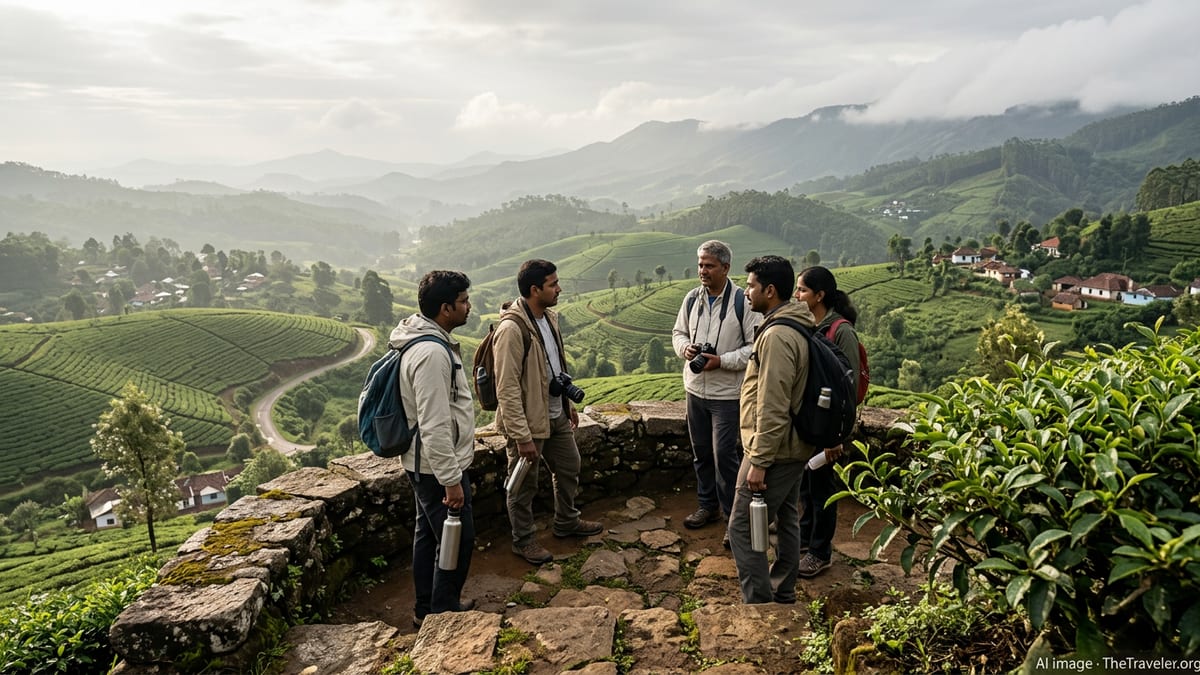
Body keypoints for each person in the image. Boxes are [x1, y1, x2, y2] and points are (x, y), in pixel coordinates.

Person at [495, 259, 602, 565]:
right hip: (528, 423)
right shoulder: (512, 329)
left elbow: (556, 367)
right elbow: (507, 388)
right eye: (553, 284)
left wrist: (567, 405)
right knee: (523, 485)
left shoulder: (548, 318)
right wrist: (521, 435)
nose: (559, 288)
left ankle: (567, 521)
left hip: (555, 413)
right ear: (534, 289)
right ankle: (523, 540)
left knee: (570, 466)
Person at [388, 270, 477, 626]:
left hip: (424, 464)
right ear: (445, 308)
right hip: (435, 468)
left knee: (427, 536)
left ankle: (426, 609)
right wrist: (451, 480)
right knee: (459, 539)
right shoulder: (431, 354)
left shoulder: (423, 340)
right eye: (464, 301)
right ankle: (443, 612)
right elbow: (434, 423)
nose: (469, 307)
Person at [728, 255, 817, 604]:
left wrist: (759, 460)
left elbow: (773, 403)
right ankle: (783, 591)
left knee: (741, 527)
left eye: (750, 286)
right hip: (792, 446)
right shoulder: (793, 324)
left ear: (770, 290)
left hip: (774, 449)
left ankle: (761, 601)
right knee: (786, 518)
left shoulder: (778, 335)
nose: (746, 292)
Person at [671, 240, 760, 539]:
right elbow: (678, 332)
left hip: (726, 394)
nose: (702, 271)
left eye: (709, 265)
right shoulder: (691, 299)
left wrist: (722, 361)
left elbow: (754, 349)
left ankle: (732, 518)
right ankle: (707, 506)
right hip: (695, 388)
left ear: (725, 267)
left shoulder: (742, 302)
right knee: (701, 453)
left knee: (725, 456)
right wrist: (685, 349)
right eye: (700, 264)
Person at [792, 265, 863, 578]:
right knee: (807, 487)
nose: (797, 295)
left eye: (802, 290)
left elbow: (846, 386)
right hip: (811, 421)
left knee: (822, 490)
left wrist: (837, 436)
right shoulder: (809, 324)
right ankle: (806, 540)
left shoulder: (841, 330)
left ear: (819, 295)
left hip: (829, 426)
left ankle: (821, 552)